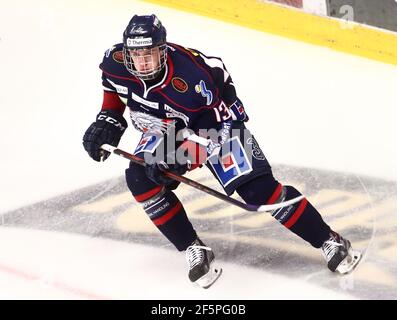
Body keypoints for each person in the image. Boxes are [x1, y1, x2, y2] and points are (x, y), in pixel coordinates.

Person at [83, 14, 361, 288]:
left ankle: (328, 239)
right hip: (166, 125)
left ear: (163, 51)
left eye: (149, 54)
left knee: (259, 192)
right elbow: (114, 94)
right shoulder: (115, 62)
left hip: (216, 124)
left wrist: (178, 160)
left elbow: (213, 135)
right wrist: (107, 120)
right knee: (140, 178)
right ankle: (194, 249)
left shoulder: (192, 82)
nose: (141, 63)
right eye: (135, 54)